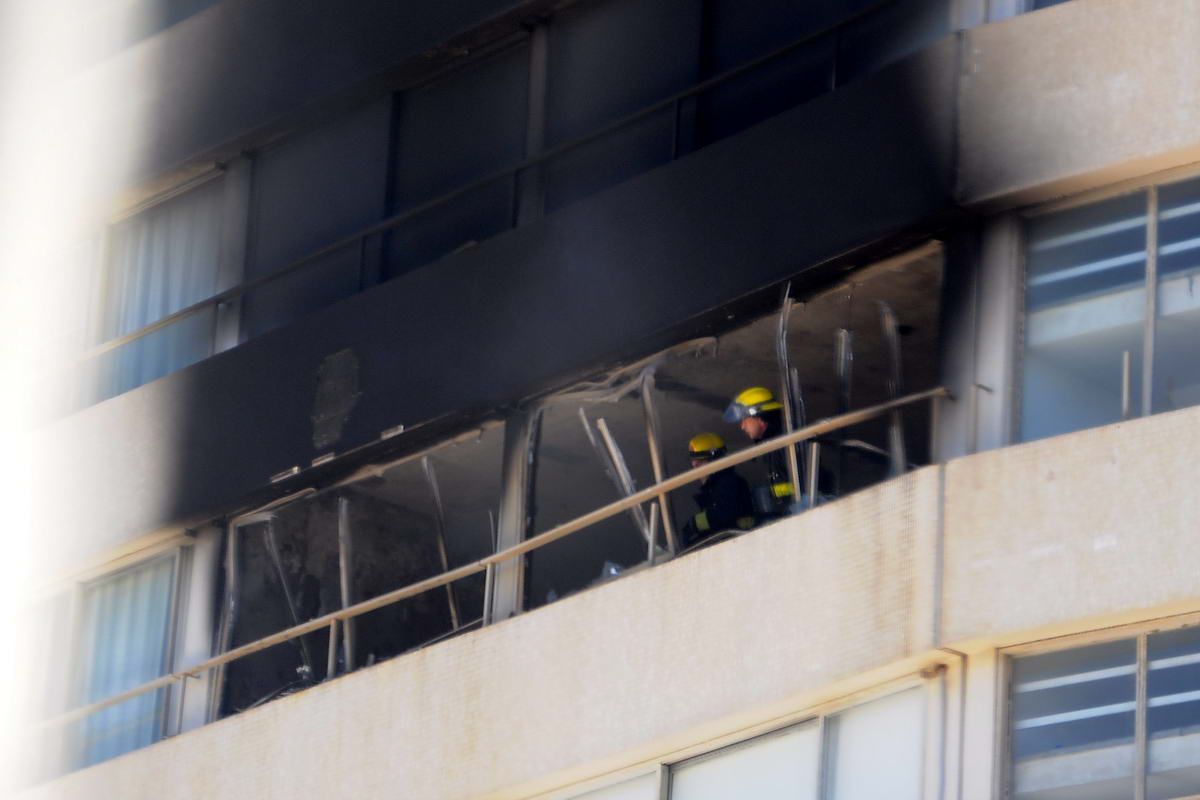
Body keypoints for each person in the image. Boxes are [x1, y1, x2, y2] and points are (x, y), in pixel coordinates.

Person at [722, 386, 796, 519]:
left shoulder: (785, 444)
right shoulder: (771, 444)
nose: (742, 426)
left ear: (759, 418)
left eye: (745, 420)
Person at [680, 432, 755, 549]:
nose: (694, 465)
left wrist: (694, 524)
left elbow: (724, 514)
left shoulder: (729, 483)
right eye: (693, 462)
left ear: (715, 461)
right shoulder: (716, 486)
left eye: (699, 462)